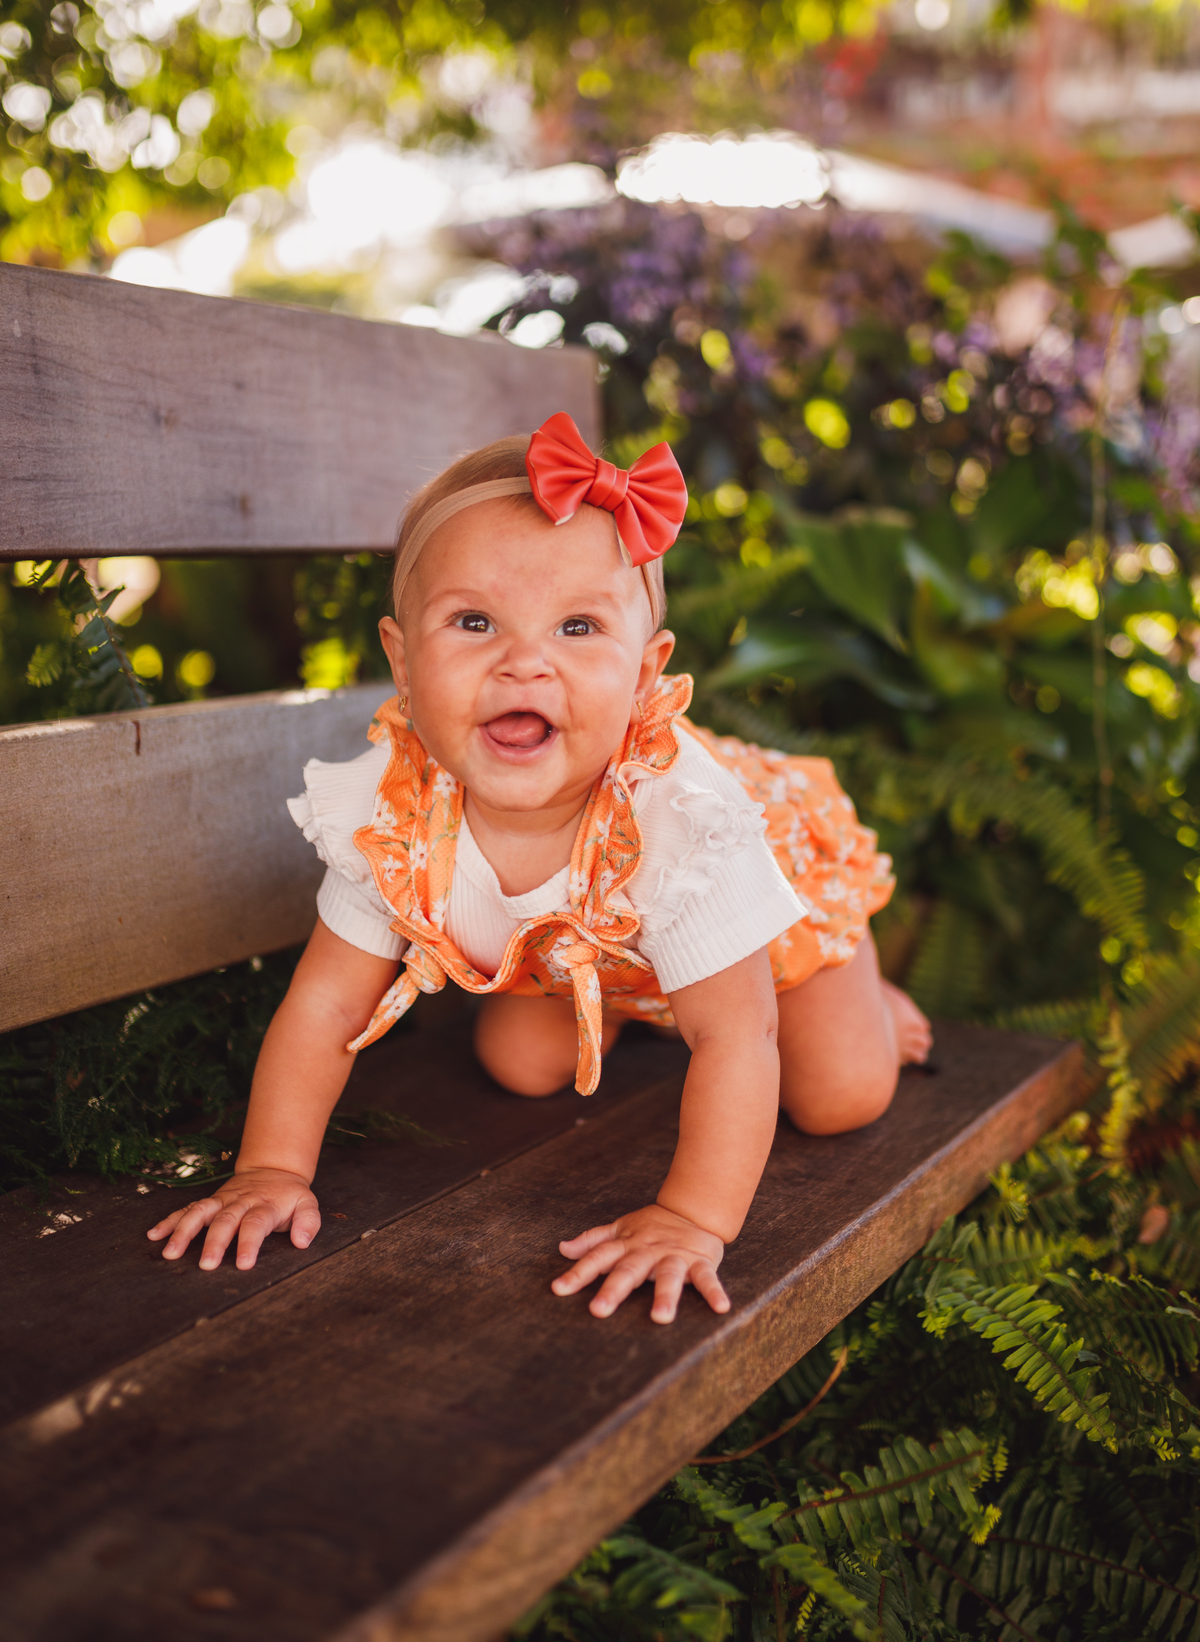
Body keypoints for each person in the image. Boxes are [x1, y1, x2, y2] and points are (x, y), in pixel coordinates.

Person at [150, 414, 931, 1323]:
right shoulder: (394, 812)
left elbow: (735, 1041)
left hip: (772, 947)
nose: (525, 662)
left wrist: (690, 1219)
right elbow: (325, 1005)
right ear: (402, 660)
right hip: (599, 957)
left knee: (838, 1094)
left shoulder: (681, 822)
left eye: (578, 626)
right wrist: (271, 1170)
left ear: (646, 676)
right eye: (474, 621)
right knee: (520, 1062)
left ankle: (867, 997)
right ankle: (647, 1001)